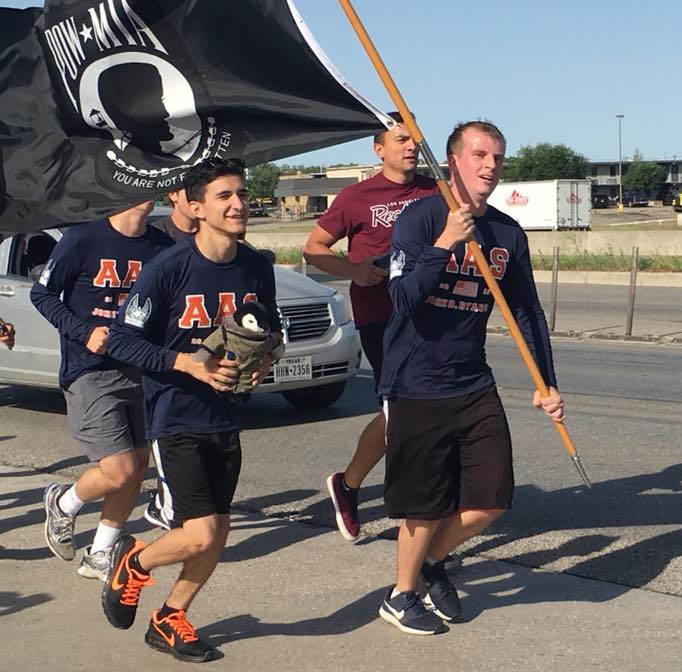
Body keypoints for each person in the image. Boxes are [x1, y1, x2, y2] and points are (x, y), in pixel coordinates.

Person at [377, 121, 564, 635]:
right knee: (423, 504)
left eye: (498, 158)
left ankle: (433, 563)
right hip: (415, 381)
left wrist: (545, 382)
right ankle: (401, 594)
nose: (490, 166)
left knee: (492, 497)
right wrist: (443, 244)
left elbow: (527, 312)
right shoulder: (418, 219)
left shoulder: (506, 233)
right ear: (453, 161)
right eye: (479, 155)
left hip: (472, 381)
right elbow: (402, 300)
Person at [103, 157, 278, 663]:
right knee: (199, 532)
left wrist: (265, 358)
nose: (238, 204)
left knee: (217, 533)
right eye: (224, 196)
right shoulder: (167, 268)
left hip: (226, 415)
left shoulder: (256, 266)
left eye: (241, 194)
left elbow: (269, 327)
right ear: (195, 208)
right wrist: (189, 364)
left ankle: (170, 617)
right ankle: (133, 563)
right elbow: (121, 341)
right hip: (175, 414)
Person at [302, 112, 437, 541]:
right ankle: (398, 505)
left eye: (414, 138)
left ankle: (351, 486)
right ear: (378, 148)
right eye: (400, 139)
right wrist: (354, 269)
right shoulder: (357, 196)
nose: (411, 146)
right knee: (400, 410)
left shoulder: (435, 191)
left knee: (422, 411)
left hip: (431, 314)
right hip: (382, 317)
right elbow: (314, 249)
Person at [29, 200, 172, 581]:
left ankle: (101, 551)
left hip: (140, 370)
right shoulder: (82, 238)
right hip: (90, 371)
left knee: (138, 467)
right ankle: (64, 501)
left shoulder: (161, 247)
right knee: (119, 470)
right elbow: (42, 295)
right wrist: (84, 332)